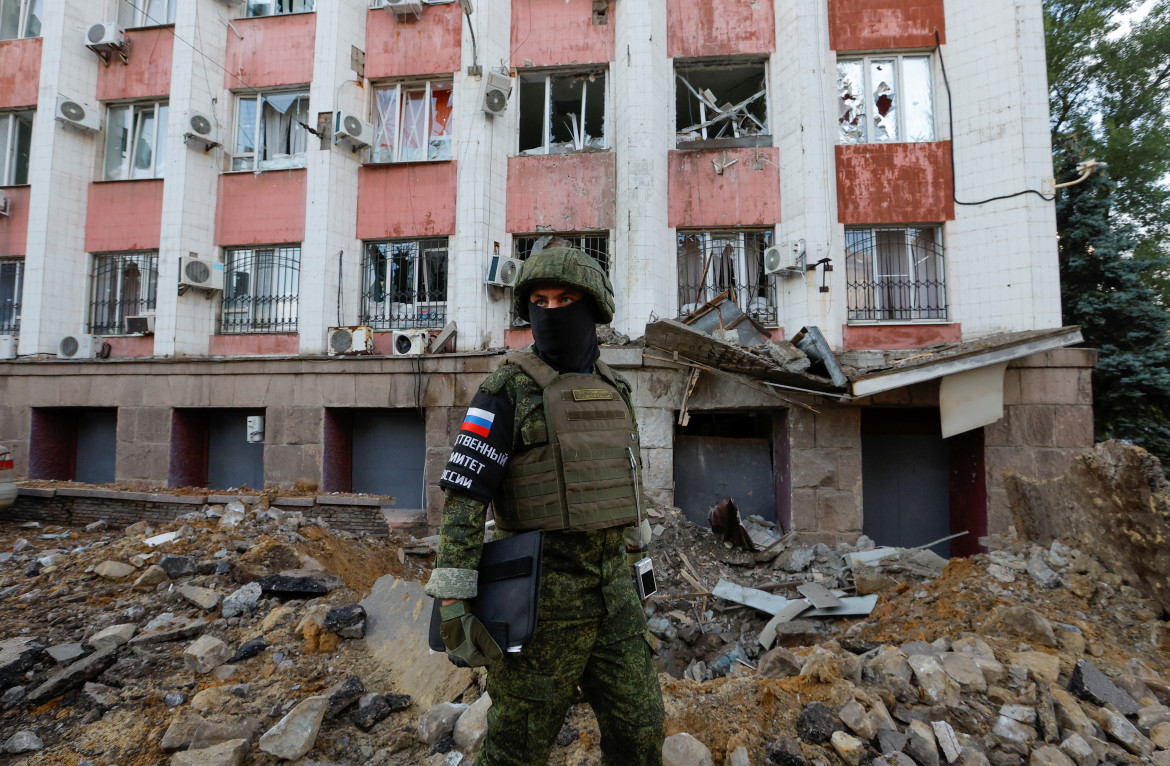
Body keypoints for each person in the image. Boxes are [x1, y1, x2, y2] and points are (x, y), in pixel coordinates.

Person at [424, 246, 665, 766]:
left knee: (642, 732)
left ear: (592, 307)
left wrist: (636, 562)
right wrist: (453, 599)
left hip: (614, 598)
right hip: (539, 604)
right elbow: (466, 498)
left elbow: (627, 483)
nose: (552, 310)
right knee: (517, 748)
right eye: (540, 300)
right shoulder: (504, 389)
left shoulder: (615, 387)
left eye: (565, 298)